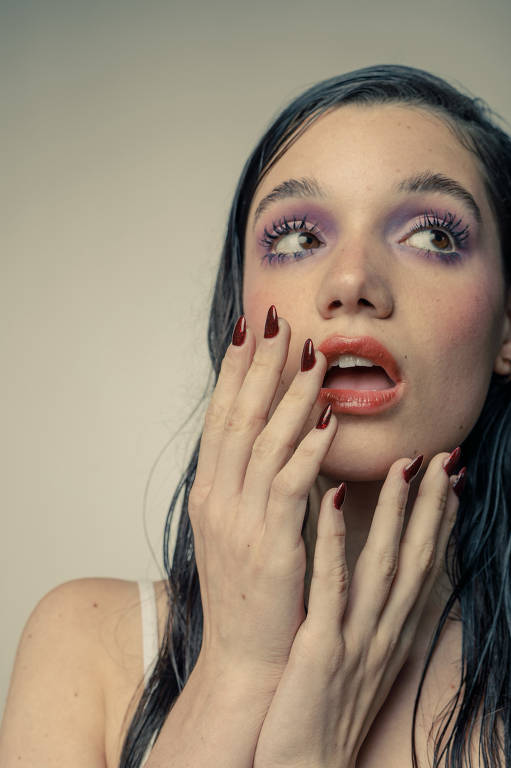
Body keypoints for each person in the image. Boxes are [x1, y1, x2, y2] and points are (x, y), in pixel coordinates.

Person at [1, 64, 510, 768]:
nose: (351, 283)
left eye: (431, 236)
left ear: (506, 326)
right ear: (241, 308)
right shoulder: (87, 648)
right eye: (299, 237)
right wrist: (236, 672)